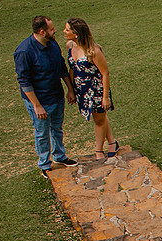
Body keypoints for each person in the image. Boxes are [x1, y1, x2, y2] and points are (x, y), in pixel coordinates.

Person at [14, 16, 79, 178]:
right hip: (39, 100)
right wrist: (36, 105)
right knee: (42, 132)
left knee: (57, 127)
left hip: (56, 96)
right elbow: (24, 81)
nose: (55, 31)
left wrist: (70, 89)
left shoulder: (52, 44)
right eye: (51, 29)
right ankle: (44, 163)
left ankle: (60, 156)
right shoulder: (24, 51)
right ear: (42, 31)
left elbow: (62, 66)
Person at [63, 18, 118, 161]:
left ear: (76, 33)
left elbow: (105, 73)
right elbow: (72, 68)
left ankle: (98, 150)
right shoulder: (70, 45)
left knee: (98, 119)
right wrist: (72, 90)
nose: (64, 31)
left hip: (96, 90)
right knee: (100, 117)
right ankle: (112, 142)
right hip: (82, 90)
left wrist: (105, 97)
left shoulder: (93, 51)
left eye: (67, 29)